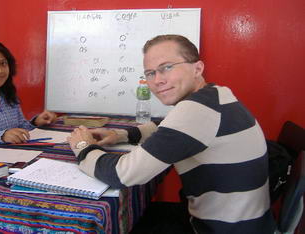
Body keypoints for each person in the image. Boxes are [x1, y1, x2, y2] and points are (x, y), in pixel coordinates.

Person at [67, 35, 275, 233]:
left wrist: (83, 147)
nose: (157, 80)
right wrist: (120, 135)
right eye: (150, 73)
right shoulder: (216, 95)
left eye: (166, 68)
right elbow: (166, 127)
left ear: (197, 68)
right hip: (246, 224)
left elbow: (123, 174)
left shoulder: (196, 110)